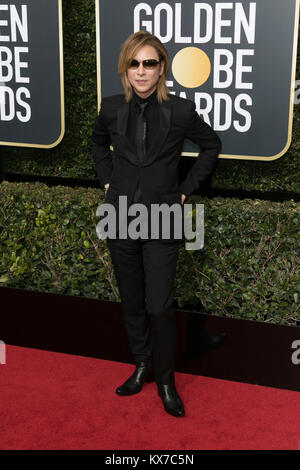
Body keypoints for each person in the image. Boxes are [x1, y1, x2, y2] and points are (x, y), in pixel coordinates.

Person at [92, 30, 222, 417]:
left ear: (162, 67)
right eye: (134, 63)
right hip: (120, 215)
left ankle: (166, 380)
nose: (142, 71)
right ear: (125, 69)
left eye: (149, 63)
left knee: (160, 305)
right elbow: (98, 145)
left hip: (164, 216)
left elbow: (211, 145)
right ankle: (143, 366)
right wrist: (108, 179)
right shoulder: (111, 108)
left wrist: (185, 189)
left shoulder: (180, 110)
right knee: (132, 299)